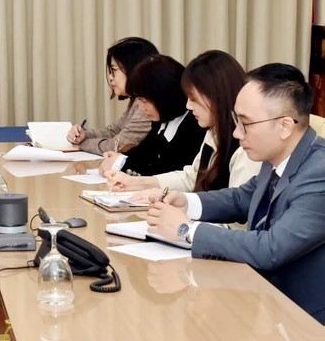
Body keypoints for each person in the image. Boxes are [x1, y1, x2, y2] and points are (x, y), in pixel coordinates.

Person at [146, 63, 325, 323]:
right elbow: (243, 197)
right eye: (236, 120)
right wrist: (186, 201)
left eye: (246, 123)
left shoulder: (319, 173)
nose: (236, 133)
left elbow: (270, 249)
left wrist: (187, 230)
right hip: (262, 298)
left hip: (303, 318)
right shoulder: (281, 153)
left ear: (285, 126)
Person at [107, 50, 261, 195]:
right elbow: (191, 177)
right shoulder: (214, 132)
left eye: (193, 99)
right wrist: (136, 183)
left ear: (216, 96)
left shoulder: (247, 147)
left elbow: (238, 214)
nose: (188, 105)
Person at [99, 55, 206, 176]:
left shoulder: (195, 126)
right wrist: (121, 158)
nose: (140, 106)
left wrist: (120, 163)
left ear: (164, 97)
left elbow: (165, 171)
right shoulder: (162, 121)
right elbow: (144, 153)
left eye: (144, 100)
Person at [67, 37, 159, 154]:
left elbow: (119, 145)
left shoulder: (148, 104)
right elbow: (114, 131)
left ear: (134, 69)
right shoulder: (137, 99)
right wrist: (84, 135)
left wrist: (82, 144)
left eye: (114, 70)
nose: (110, 77)